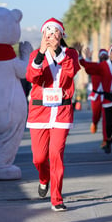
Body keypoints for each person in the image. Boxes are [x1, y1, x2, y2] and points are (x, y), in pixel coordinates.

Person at [25, 18, 80, 212]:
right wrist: (41, 53)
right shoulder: (35, 54)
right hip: (39, 112)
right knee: (39, 158)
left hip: (62, 113)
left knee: (56, 155)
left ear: (61, 35)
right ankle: (43, 178)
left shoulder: (71, 54)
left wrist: (58, 51)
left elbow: (71, 71)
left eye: (55, 31)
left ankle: (57, 198)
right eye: (47, 32)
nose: (51, 35)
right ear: (42, 35)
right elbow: (32, 77)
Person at [84, 48, 109, 150]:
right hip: (96, 96)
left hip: (106, 96)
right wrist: (88, 58)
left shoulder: (110, 67)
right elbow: (87, 66)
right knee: (96, 115)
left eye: (105, 56)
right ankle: (94, 123)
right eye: (101, 56)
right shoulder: (94, 66)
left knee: (106, 120)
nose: (103, 57)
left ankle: (105, 140)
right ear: (99, 57)